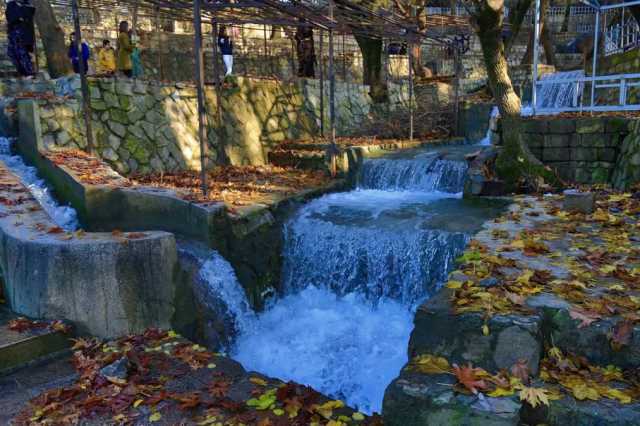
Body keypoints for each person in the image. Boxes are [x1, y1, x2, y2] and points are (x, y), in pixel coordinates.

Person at [5, 0, 36, 78]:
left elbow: (25, 16)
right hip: (13, 32)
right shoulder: (11, 4)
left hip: (23, 33)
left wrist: (19, 17)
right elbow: (10, 17)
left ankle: (29, 73)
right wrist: (18, 18)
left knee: (22, 52)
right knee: (11, 52)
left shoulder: (28, 5)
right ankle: (23, 72)